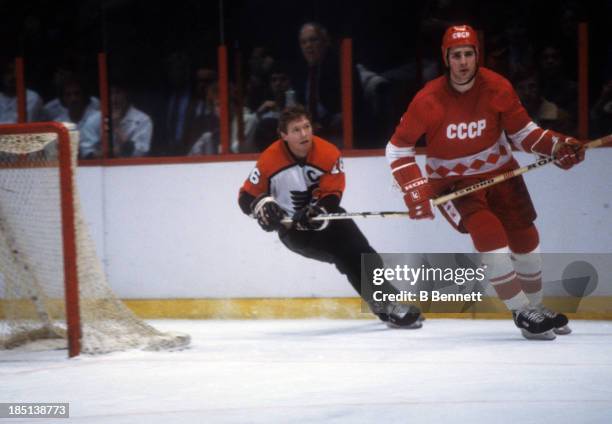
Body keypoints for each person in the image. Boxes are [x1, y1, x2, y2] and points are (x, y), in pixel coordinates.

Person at [385, 24, 599, 340]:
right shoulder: (427, 99)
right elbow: (397, 147)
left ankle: (536, 306)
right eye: (455, 55)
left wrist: (556, 144)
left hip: (501, 174)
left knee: (526, 237)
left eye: (468, 54)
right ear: (446, 58)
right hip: (455, 184)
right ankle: (521, 310)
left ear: (477, 56)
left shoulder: (497, 87)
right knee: (489, 233)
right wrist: (413, 186)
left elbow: (524, 133)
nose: (463, 62)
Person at [238, 105, 422, 329]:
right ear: (284, 135)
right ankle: (390, 309)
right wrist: (261, 206)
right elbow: (245, 198)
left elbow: (332, 195)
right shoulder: (269, 160)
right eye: (296, 130)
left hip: (330, 219)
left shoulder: (328, 153)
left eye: (306, 127)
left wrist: (317, 211)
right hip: (295, 231)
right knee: (348, 258)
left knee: (366, 256)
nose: (304, 134)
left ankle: (391, 306)